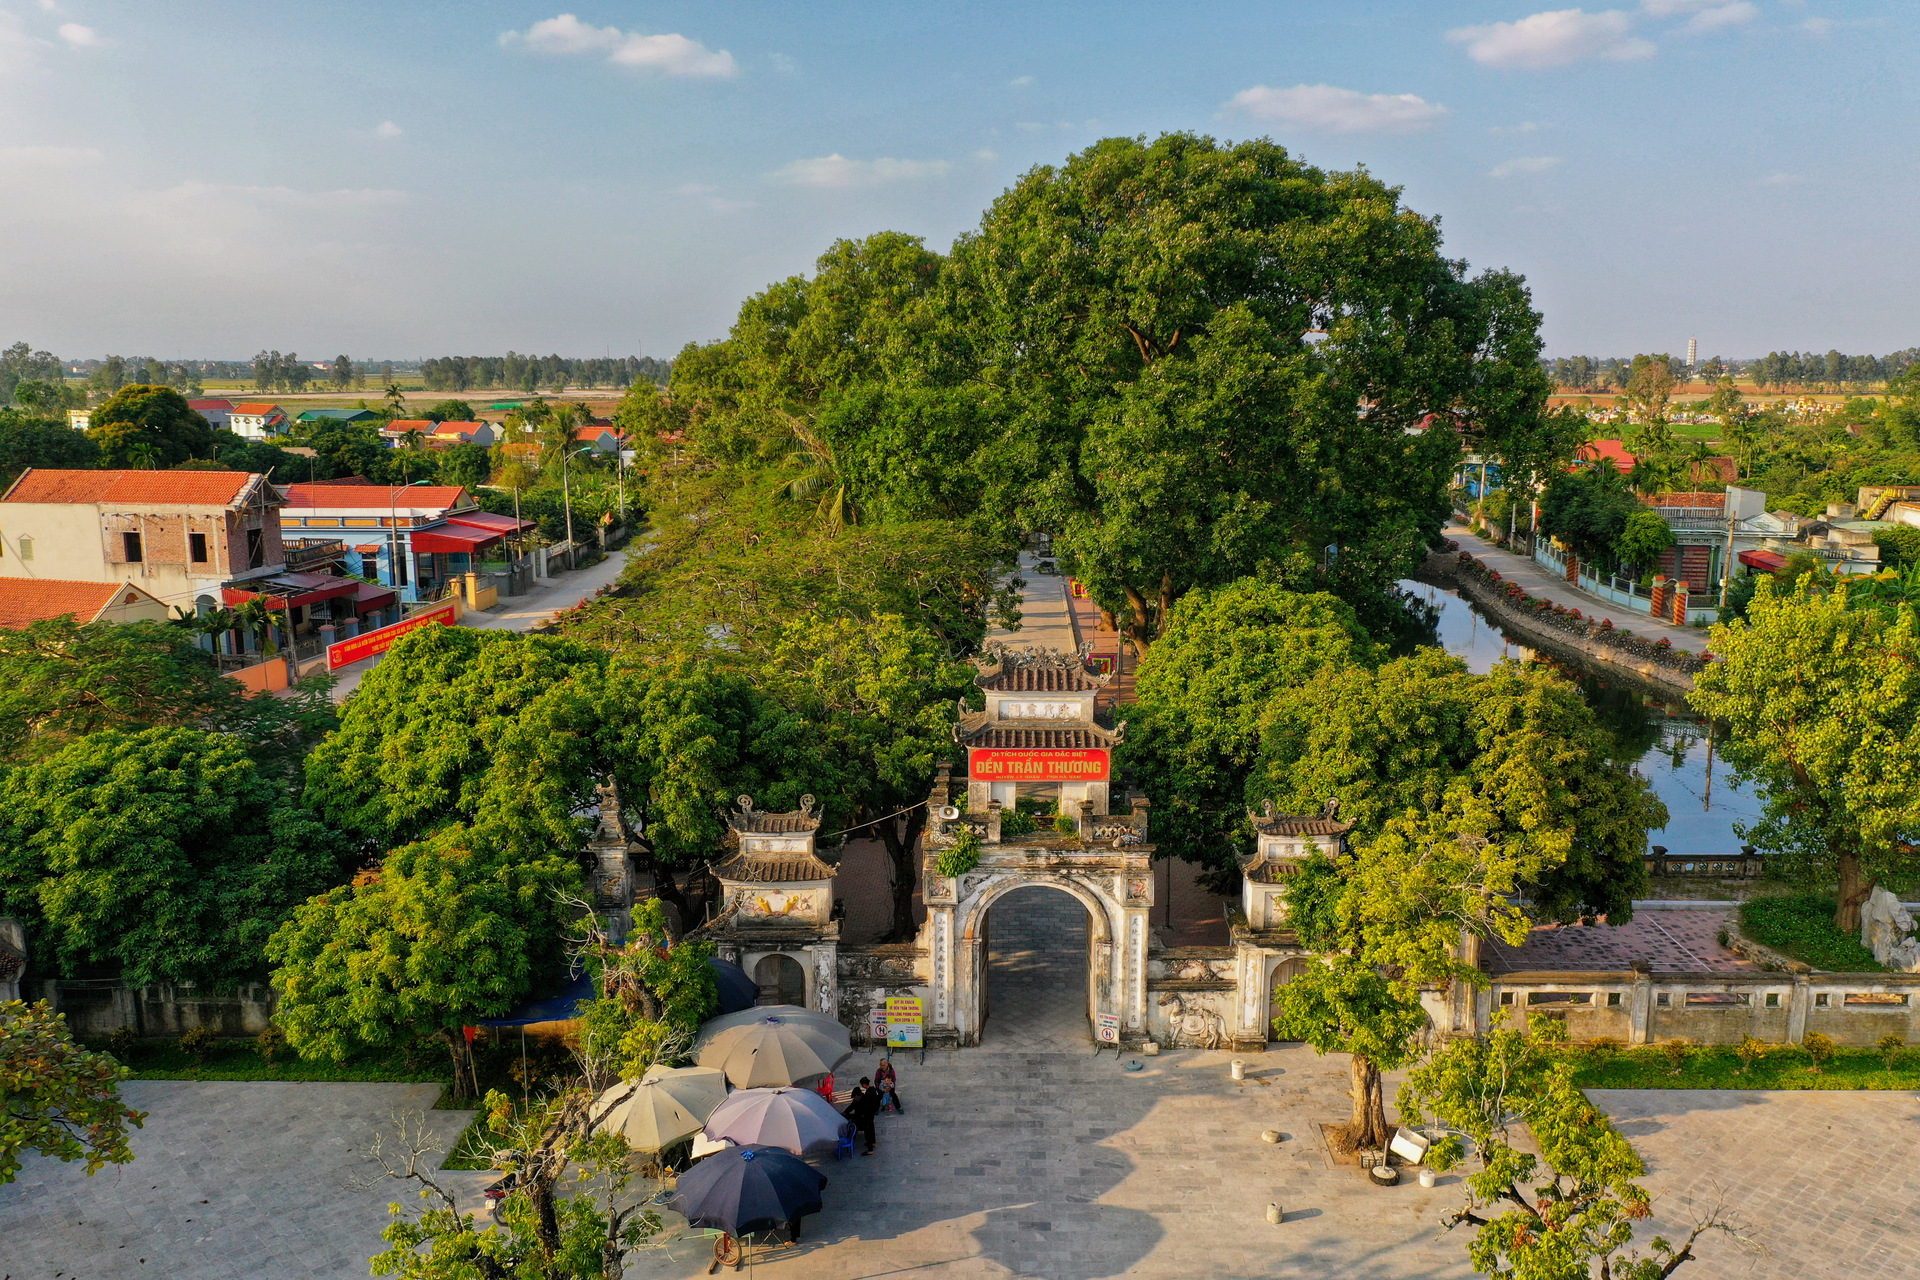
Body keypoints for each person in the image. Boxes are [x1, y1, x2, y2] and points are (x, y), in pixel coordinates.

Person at [844, 1076, 879, 1155]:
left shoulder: (865, 1099)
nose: (855, 1099)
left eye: (856, 1097)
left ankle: (870, 1150)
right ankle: (873, 1143)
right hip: (871, 1115)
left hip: (866, 1117)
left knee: (867, 1133)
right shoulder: (872, 1091)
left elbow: (857, 1109)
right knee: (871, 1129)